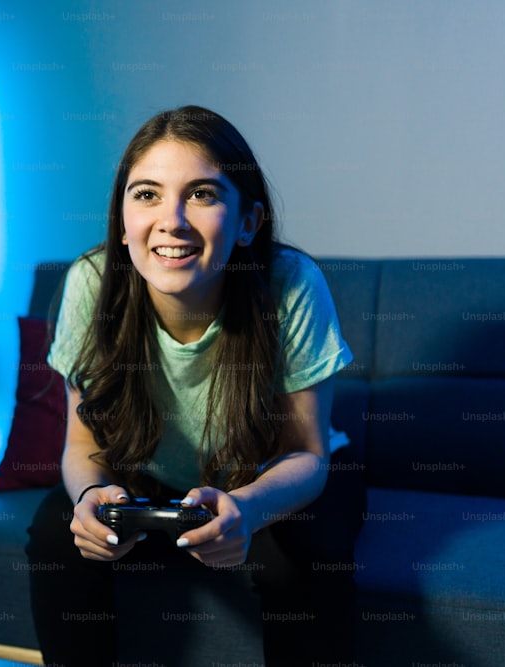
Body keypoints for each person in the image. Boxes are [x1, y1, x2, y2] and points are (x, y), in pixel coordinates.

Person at [26, 105, 366, 666]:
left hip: (270, 476)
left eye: (203, 194)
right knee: (57, 534)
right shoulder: (90, 282)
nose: (172, 220)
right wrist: (90, 499)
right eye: (147, 194)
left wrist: (248, 511)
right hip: (150, 475)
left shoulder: (292, 285)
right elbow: (83, 448)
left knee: (305, 552)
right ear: (121, 219)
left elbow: (307, 452)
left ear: (248, 222)